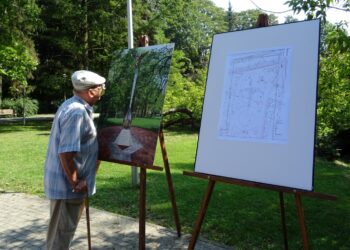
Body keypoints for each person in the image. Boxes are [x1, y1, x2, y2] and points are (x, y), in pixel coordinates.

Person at [44, 70, 106, 249]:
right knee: (59, 240)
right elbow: (66, 153)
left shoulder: (72, 105)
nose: (103, 90)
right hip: (68, 189)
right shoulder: (77, 112)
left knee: (61, 235)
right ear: (91, 91)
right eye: (101, 87)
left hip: (68, 188)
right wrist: (75, 182)